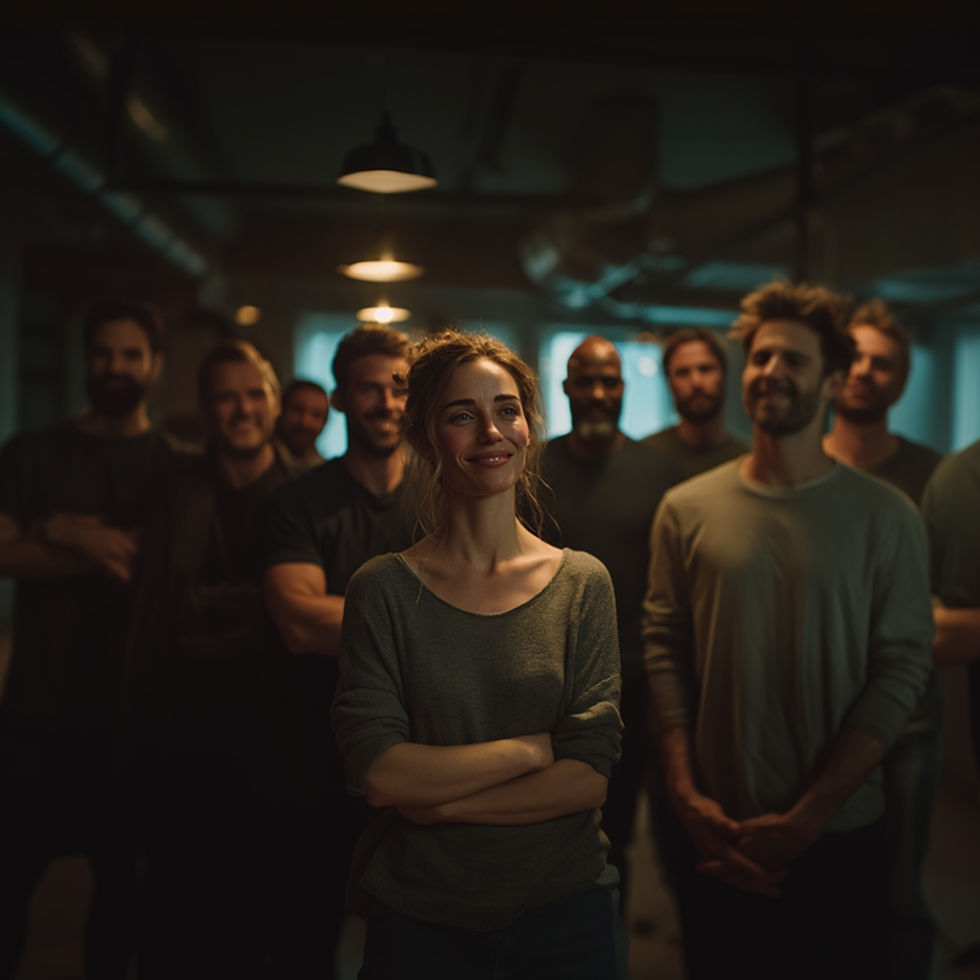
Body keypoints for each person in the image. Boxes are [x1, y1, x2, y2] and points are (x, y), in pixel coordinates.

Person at [643, 281, 934, 980]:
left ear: (834, 379)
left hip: (841, 834)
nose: (771, 371)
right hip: (716, 828)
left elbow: (901, 668)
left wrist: (808, 818)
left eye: (793, 360)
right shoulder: (685, 508)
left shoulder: (887, 516)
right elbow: (662, 646)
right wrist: (685, 794)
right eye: (760, 357)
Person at [332, 329, 627, 979]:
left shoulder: (582, 583)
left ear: (527, 427)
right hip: (420, 918)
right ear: (424, 438)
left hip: (565, 911)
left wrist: (439, 803)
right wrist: (532, 750)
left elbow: (589, 777)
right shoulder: (381, 589)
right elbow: (380, 773)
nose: (491, 432)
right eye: (462, 415)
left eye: (507, 410)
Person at [0, 301, 180, 980]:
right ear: (87, 361)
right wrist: (64, 532)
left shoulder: (171, 463)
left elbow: (147, 562)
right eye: (104, 354)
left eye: (131, 355)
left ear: (155, 366)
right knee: (7, 897)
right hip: (33, 714)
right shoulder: (33, 452)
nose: (116, 367)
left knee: (119, 910)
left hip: (129, 718)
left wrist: (41, 532)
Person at [125, 339, 312, 977]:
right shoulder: (174, 491)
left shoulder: (309, 493)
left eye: (254, 394)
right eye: (227, 397)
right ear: (208, 407)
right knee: (178, 923)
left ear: (275, 401)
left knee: (275, 923)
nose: (242, 409)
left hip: (279, 741)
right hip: (181, 739)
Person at [263, 323, 415, 977]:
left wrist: (346, 615)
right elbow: (299, 620)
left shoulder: (447, 498)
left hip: (422, 757)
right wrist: (429, 621)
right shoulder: (299, 501)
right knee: (306, 941)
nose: (386, 403)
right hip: (312, 757)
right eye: (369, 389)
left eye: (399, 388)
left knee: (417, 941)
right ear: (341, 400)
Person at [823, 298, 943, 979]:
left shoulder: (934, 478)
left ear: (901, 381)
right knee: (817, 887)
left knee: (898, 894)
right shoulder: (801, 469)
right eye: (858, 358)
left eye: (884, 364)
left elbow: (957, 617)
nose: (867, 372)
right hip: (808, 714)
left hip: (910, 727)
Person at [540, 334, 680, 912]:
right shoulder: (531, 468)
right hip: (544, 685)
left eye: (610, 381)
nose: (598, 393)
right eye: (586, 380)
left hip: (635, 686)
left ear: (623, 389)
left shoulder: (660, 475)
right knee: (544, 832)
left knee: (617, 837)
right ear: (567, 387)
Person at [644, 328, 748, 478]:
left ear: (723, 374)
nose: (696, 382)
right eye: (683, 372)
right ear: (669, 382)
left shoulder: (748, 462)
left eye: (705, 369)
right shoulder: (647, 457)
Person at [275, 378, 329, 470]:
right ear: (280, 410)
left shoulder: (326, 472)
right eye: (297, 410)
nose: (305, 422)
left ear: (325, 422)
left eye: (316, 415)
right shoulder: (259, 465)